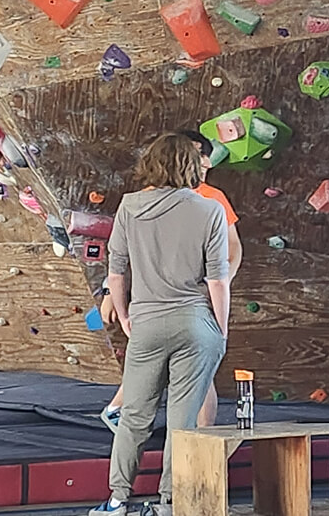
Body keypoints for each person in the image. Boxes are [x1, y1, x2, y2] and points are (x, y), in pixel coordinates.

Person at [90, 132, 231, 516]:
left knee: (134, 415)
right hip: (196, 322)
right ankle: (169, 504)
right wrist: (221, 328)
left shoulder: (129, 207)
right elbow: (218, 279)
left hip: (147, 321)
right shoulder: (209, 210)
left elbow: (116, 271)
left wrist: (123, 314)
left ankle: (117, 500)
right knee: (183, 422)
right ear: (191, 165)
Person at [100, 130, 243, 430]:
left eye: (194, 153)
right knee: (155, 364)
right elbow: (124, 252)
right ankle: (119, 409)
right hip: (152, 298)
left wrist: (218, 285)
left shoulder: (212, 199)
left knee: (197, 370)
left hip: (191, 298)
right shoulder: (144, 199)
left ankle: (201, 436)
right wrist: (111, 293)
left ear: (205, 160)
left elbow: (233, 249)